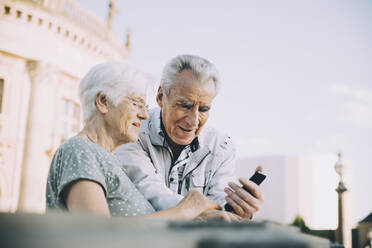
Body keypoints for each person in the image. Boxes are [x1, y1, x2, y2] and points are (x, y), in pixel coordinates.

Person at [46, 61, 226, 220]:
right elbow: (97, 236)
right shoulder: (80, 150)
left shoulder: (107, 160)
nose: (145, 115)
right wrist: (185, 210)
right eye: (136, 103)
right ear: (103, 101)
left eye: (145, 106)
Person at [115, 55, 263, 219]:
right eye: (185, 106)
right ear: (160, 97)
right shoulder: (131, 132)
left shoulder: (221, 146)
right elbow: (152, 192)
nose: (193, 121)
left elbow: (222, 204)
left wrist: (241, 208)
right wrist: (213, 213)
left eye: (204, 109)